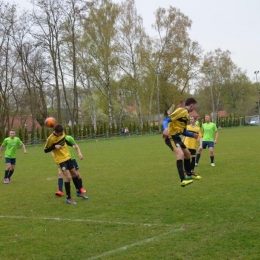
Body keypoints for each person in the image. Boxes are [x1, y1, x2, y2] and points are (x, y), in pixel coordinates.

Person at [44, 124, 87, 205]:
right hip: (61, 160)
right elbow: (45, 150)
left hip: (68, 157)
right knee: (68, 177)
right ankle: (68, 198)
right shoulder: (50, 139)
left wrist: (72, 145)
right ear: (57, 132)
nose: (62, 133)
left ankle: (78, 192)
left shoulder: (62, 134)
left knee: (75, 174)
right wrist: (54, 146)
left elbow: (64, 140)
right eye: (61, 132)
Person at [162, 97, 200, 187]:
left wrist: (192, 135)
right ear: (191, 105)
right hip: (170, 137)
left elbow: (183, 131)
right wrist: (166, 129)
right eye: (194, 106)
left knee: (187, 154)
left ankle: (189, 173)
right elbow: (166, 120)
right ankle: (182, 179)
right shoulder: (181, 110)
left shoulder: (186, 115)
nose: (194, 108)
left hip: (177, 138)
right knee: (180, 155)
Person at [52, 135, 88, 199]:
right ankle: (60, 191)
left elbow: (75, 145)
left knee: (77, 174)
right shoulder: (55, 140)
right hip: (61, 160)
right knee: (60, 174)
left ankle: (80, 188)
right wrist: (56, 158)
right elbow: (52, 150)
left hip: (71, 159)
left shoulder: (69, 138)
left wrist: (79, 153)